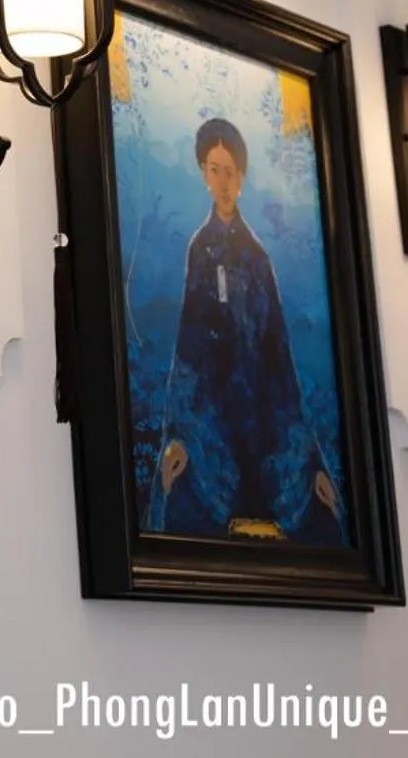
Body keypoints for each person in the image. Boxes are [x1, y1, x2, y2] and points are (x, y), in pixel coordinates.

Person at [145, 118, 343, 544]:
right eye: (214, 169)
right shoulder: (200, 248)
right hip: (213, 410)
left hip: (264, 412)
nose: (222, 181)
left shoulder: (257, 257)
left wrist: (312, 459)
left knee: (312, 509)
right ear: (203, 173)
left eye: (230, 171)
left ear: (243, 177)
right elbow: (189, 346)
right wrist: (179, 434)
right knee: (188, 493)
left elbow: (280, 356)